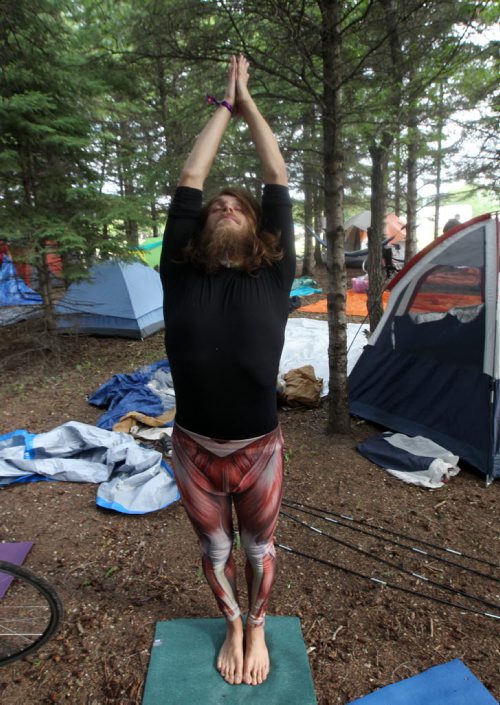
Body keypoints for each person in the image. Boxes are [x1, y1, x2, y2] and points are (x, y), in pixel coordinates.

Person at [160, 55, 295, 687]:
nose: (224, 205)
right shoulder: (179, 275)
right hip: (193, 450)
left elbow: (276, 173)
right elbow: (192, 175)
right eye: (216, 206)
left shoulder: (273, 277)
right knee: (216, 550)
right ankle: (234, 623)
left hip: (259, 449)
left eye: (237, 206)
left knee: (258, 548)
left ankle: (259, 624)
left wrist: (249, 104)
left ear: (258, 231)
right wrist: (222, 104)